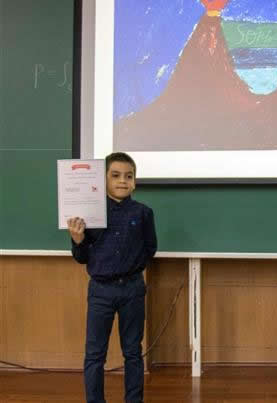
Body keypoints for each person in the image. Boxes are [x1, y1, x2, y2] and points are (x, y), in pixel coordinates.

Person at [67, 152, 157, 403]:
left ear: (135, 181)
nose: (122, 181)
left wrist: (130, 267)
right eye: (115, 175)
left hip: (132, 289)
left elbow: (150, 248)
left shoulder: (143, 213)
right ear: (103, 179)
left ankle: (134, 400)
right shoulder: (88, 214)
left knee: (133, 352)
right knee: (95, 354)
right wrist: (77, 240)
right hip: (100, 291)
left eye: (129, 176)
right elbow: (82, 257)